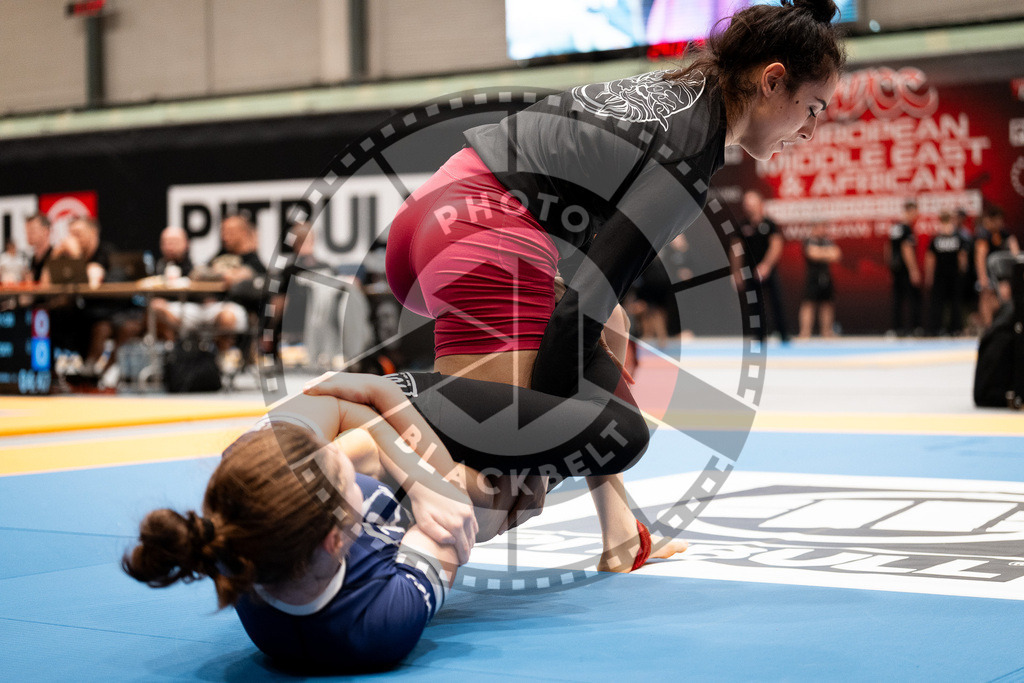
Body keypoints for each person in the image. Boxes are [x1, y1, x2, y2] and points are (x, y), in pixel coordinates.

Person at [384, 0, 843, 569]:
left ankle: (620, 535)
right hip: (475, 228)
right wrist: (537, 449)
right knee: (528, 477)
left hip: (432, 219)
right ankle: (355, 416)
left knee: (615, 330)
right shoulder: (688, 156)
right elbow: (579, 305)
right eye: (813, 108)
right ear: (774, 80)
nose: (811, 129)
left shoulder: (682, 93)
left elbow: (595, 307)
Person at [123, 354, 685, 672]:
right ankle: (571, 329)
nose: (358, 481)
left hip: (401, 404)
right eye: (354, 488)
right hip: (388, 449)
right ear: (339, 540)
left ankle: (568, 324)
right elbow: (464, 524)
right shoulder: (376, 627)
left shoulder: (249, 480)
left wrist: (426, 475)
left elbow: (355, 399)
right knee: (598, 442)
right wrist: (461, 495)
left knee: (600, 426)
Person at [151, 214, 266, 363]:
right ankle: (178, 360)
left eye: (230, 232)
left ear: (244, 233)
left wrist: (224, 275)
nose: (224, 236)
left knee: (227, 316)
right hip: (204, 308)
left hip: (231, 312)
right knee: (157, 307)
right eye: (223, 231)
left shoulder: (254, 262)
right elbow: (197, 273)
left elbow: (246, 279)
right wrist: (221, 274)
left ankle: (218, 363)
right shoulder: (220, 255)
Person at [735, 189, 790, 343]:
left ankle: (783, 335)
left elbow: (776, 246)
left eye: (752, 203)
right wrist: (737, 272)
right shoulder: (743, 226)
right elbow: (736, 249)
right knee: (754, 305)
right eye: (747, 204)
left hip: (768, 270)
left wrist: (766, 265)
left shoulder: (769, 224)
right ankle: (759, 337)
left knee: (776, 302)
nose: (749, 207)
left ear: (760, 204)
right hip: (749, 271)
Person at [974, 205, 1020, 328]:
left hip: (1003, 274)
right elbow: (980, 258)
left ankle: (1006, 325)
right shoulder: (983, 235)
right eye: (998, 220)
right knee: (986, 296)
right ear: (991, 220)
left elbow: (1015, 252)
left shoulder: (1004, 233)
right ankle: (988, 327)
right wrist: (983, 278)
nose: (1000, 223)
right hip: (988, 273)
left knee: (1005, 296)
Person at [924, 211, 968, 336]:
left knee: (951, 303)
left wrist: (929, 276)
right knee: (943, 303)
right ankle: (946, 328)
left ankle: (949, 328)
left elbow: (961, 257)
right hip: (946, 276)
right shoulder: (955, 238)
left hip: (947, 276)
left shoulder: (939, 239)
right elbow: (962, 257)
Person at [884, 200, 922, 336]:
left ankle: (897, 328)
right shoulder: (906, 228)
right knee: (913, 297)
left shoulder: (895, 227)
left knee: (898, 299)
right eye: (916, 211)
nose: (917, 215)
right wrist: (913, 270)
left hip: (896, 267)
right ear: (910, 211)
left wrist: (890, 266)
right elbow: (906, 249)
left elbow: (888, 247)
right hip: (905, 268)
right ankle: (914, 328)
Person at [797, 221, 840, 339]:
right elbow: (812, 254)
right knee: (808, 304)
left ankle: (827, 332)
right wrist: (826, 253)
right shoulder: (809, 241)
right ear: (814, 228)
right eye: (820, 227)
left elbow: (836, 254)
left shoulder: (828, 241)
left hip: (826, 276)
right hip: (812, 277)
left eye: (824, 227)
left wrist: (820, 252)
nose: (822, 230)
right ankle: (805, 333)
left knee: (827, 304)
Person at [24, 213, 53, 283]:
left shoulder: (55, 256)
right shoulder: (33, 259)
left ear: (46, 231)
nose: (28, 234)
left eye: (32, 230)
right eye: (27, 231)